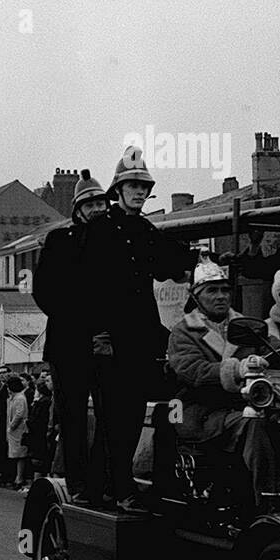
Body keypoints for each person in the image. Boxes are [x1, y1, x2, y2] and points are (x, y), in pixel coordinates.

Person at [84, 150, 193, 512]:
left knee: (135, 413)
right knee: (117, 417)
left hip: (141, 338)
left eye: (144, 187)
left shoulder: (145, 231)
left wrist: (202, 263)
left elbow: (172, 265)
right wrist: (98, 337)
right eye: (132, 185)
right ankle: (117, 488)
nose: (139, 192)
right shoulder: (98, 231)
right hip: (109, 340)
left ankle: (106, 485)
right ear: (118, 189)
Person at [166, 260, 278, 504]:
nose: (220, 296)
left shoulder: (246, 325)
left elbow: (275, 348)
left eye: (225, 290)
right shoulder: (184, 331)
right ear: (196, 297)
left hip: (242, 407)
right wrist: (235, 369)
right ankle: (266, 501)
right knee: (254, 423)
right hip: (201, 413)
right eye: (212, 290)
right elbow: (191, 369)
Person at [33, 169, 110, 505]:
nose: (97, 209)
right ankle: (77, 483)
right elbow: (44, 293)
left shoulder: (114, 241)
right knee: (73, 417)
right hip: (69, 344)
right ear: (78, 208)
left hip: (108, 342)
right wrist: (78, 320)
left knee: (110, 417)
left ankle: (101, 481)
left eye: (100, 203)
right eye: (90, 203)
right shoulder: (58, 241)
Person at [5, 376, 31, 489]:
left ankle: (19, 478)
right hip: (14, 430)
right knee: (16, 454)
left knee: (20, 454)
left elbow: (19, 414)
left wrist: (11, 426)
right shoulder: (13, 397)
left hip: (19, 429)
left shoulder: (20, 398)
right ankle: (17, 477)